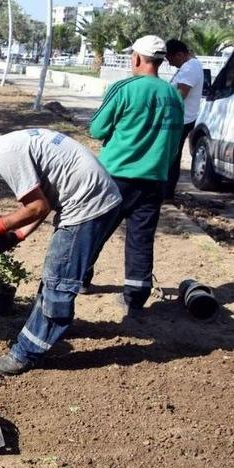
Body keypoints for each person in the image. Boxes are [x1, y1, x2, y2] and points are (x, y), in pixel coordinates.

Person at [0, 125, 122, 374]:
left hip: (87, 206)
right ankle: (40, 330)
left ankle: (26, 353)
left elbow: (37, 207)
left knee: (58, 279)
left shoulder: (8, 156)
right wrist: (19, 234)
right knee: (56, 274)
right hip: (96, 198)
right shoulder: (11, 142)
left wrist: (1, 224)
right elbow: (46, 200)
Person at [85, 35, 184, 317]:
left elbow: (97, 129)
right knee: (141, 238)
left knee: (94, 230)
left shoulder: (124, 88)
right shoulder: (173, 95)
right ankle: (135, 297)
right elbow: (175, 143)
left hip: (116, 176)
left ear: (138, 58)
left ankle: (79, 279)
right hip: (153, 180)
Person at [164, 39, 204, 200]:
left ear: (180, 54)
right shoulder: (189, 66)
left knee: (172, 157)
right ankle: (165, 192)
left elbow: (180, 95)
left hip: (181, 120)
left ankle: (166, 194)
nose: (170, 63)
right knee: (171, 155)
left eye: (171, 59)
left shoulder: (190, 68)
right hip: (180, 118)